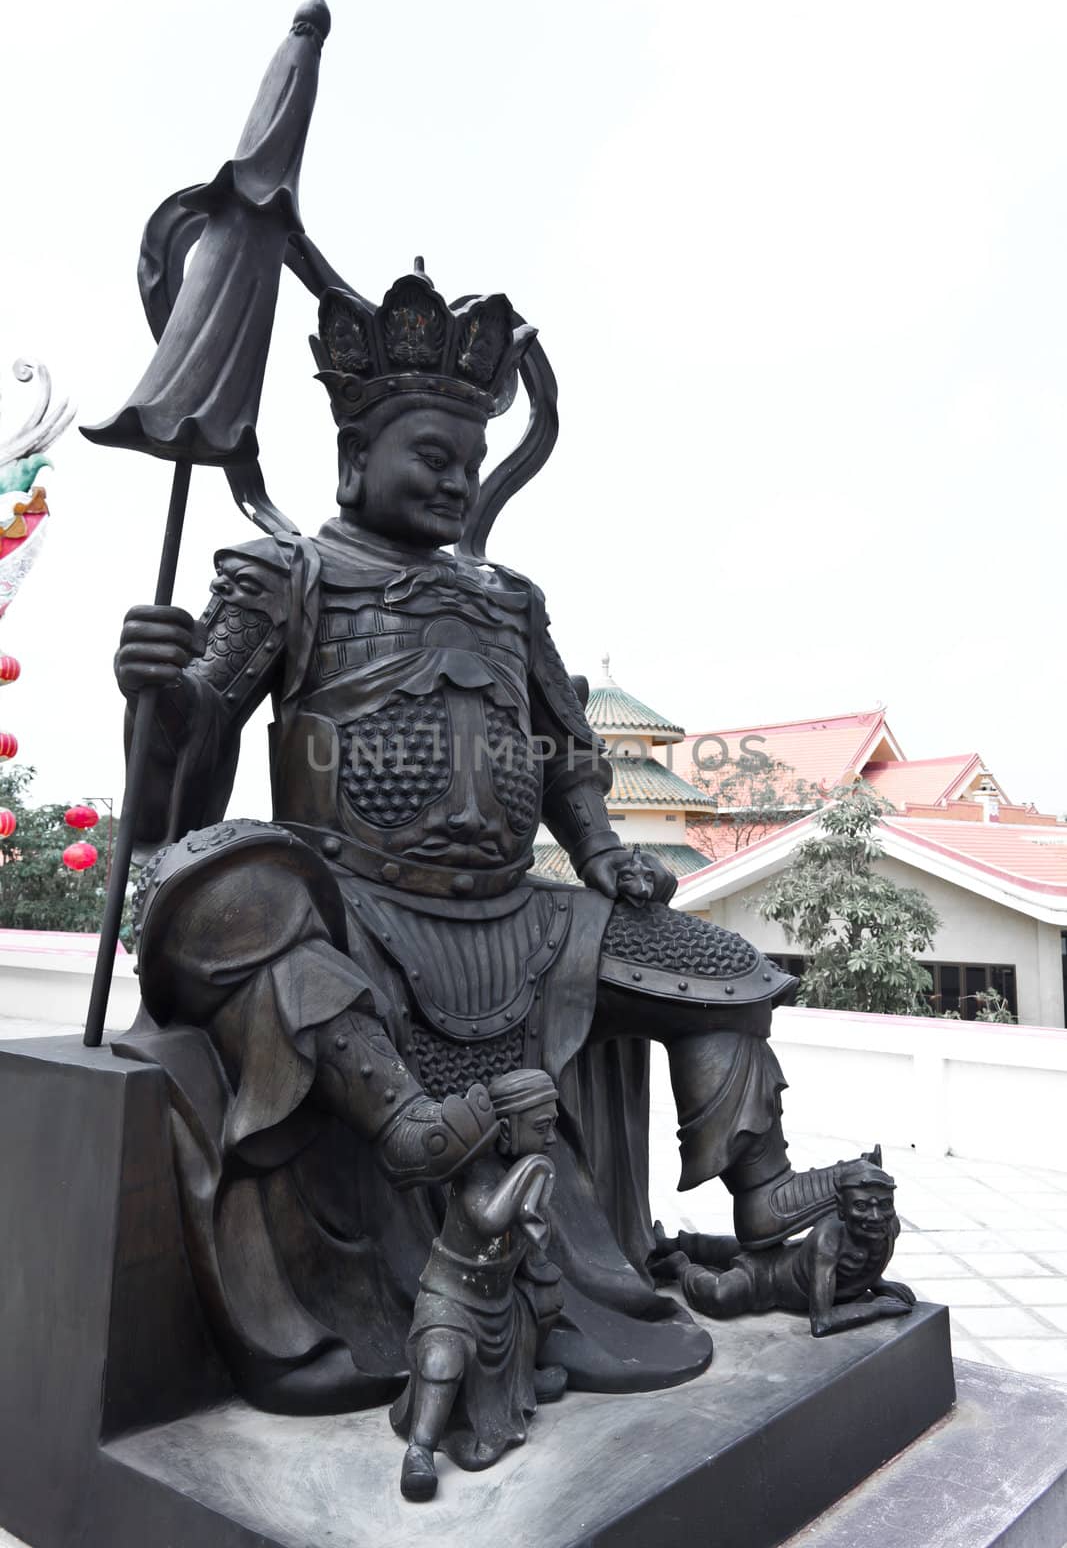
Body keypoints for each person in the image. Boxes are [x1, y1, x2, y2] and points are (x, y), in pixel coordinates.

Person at [115, 263, 848, 1411]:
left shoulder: (508, 601)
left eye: (469, 460)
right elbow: (194, 753)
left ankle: (760, 1197)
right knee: (233, 889)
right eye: (431, 457)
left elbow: (563, 746)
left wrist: (600, 845)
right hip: (353, 902)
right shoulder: (286, 576)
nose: (457, 481)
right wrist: (162, 701)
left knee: (716, 968)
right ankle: (406, 1128)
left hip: (517, 913)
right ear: (356, 459)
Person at [391, 1068, 564, 1502]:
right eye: (542, 1128)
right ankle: (421, 1450)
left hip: (500, 1302)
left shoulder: (521, 1171)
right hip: (452, 1300)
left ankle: (520, 1382)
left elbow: (530, 1233)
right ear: (506, 1130)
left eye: (553, 1127)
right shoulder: (477, 1172)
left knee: (544, 1301)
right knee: (442, 1361)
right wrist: (533, 1168)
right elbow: (490, 1219)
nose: (552, 1140)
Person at [650, 1159, 916, 1338]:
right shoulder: (827, 1241)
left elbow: (862, 1258)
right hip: (765, 1282)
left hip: (786, 1254)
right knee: (721, 1295)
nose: (875, 1216)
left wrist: (878, 1283)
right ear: (841, 1209)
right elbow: (822, 1322)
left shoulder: (888, 1227)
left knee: (734, 1249)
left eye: (883, 1204)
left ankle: (671, 1244)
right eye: (861, 1206)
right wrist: (876, 1308)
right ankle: (679, 1262)